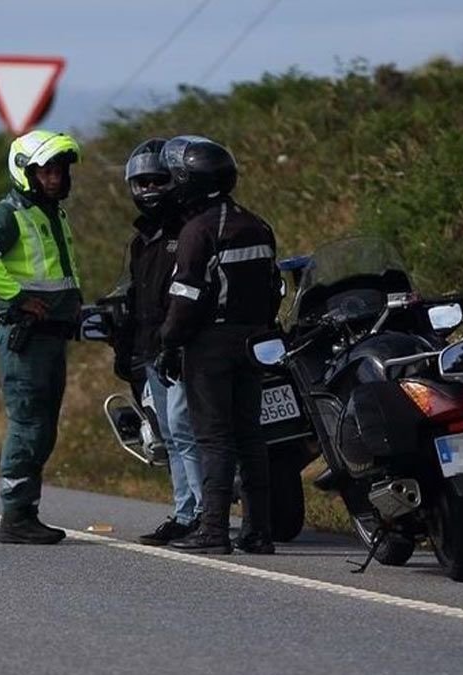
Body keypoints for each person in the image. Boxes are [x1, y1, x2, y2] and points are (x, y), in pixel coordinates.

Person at [156, 135, 282, 555]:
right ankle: (259, 531)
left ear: (187, 181)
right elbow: (274, 287)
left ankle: (213, 530)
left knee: (214, 438)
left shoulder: (198, 230)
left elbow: (186, 296)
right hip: (255, 341)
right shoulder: (257, 223)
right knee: (251, 435)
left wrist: (169, 343)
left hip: (210, 345)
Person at [0, 129, 83, 545]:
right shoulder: (10, 212)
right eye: (46, 171)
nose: (55, 178)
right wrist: (18, 298)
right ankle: (16, 517)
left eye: (60, 170)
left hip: (52, 336)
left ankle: (25, 511)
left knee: (44, 426)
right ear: (25, 172)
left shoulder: (52, 212)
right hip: (26, 337)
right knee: (30, 423)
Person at [116, 138, 205, 546]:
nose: (149, 189)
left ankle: (201, 514)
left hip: (183, 349)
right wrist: (128, 351)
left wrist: (176, 341)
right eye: (142, 183)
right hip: (152, 351)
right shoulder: (141, 240)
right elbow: (137, 300)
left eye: (158, 180)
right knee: (170, 437)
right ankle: (184, 511)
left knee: (187, 433)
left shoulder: (189, 230)